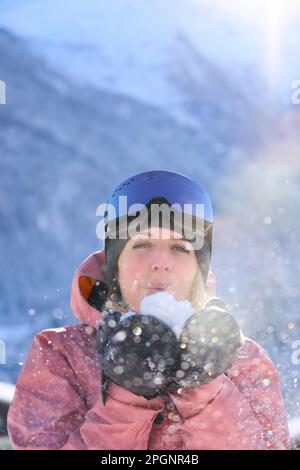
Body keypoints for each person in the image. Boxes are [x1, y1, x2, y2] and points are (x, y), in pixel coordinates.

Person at [7, 170, 290, 450]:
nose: (160, 262)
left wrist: (203, 389)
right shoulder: (60, 355)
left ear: (198, 271)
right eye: (142, 244)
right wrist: (126, 396)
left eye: (180, 248)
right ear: (114, 264)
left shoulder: (241, 359)